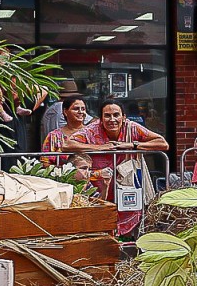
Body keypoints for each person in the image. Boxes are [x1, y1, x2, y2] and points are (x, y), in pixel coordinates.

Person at [66, 99, 168, 234]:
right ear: (101, 119)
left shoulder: (131, 127)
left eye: (116, 115)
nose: (112, 119)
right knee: (98, 223)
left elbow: (163, 143)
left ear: (123, 117)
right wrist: (100, 148)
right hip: (99, 187)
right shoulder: (92, 129)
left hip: (127, 186)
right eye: (107, 115)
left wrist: (133, 145)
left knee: (131, 225)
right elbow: (67, 145)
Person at [43, 94, 91, 160]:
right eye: (76, 109)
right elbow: (46, 162)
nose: (80, 112)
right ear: (65, 112)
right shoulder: (54, 136)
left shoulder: (92, 133)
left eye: (83, 109)